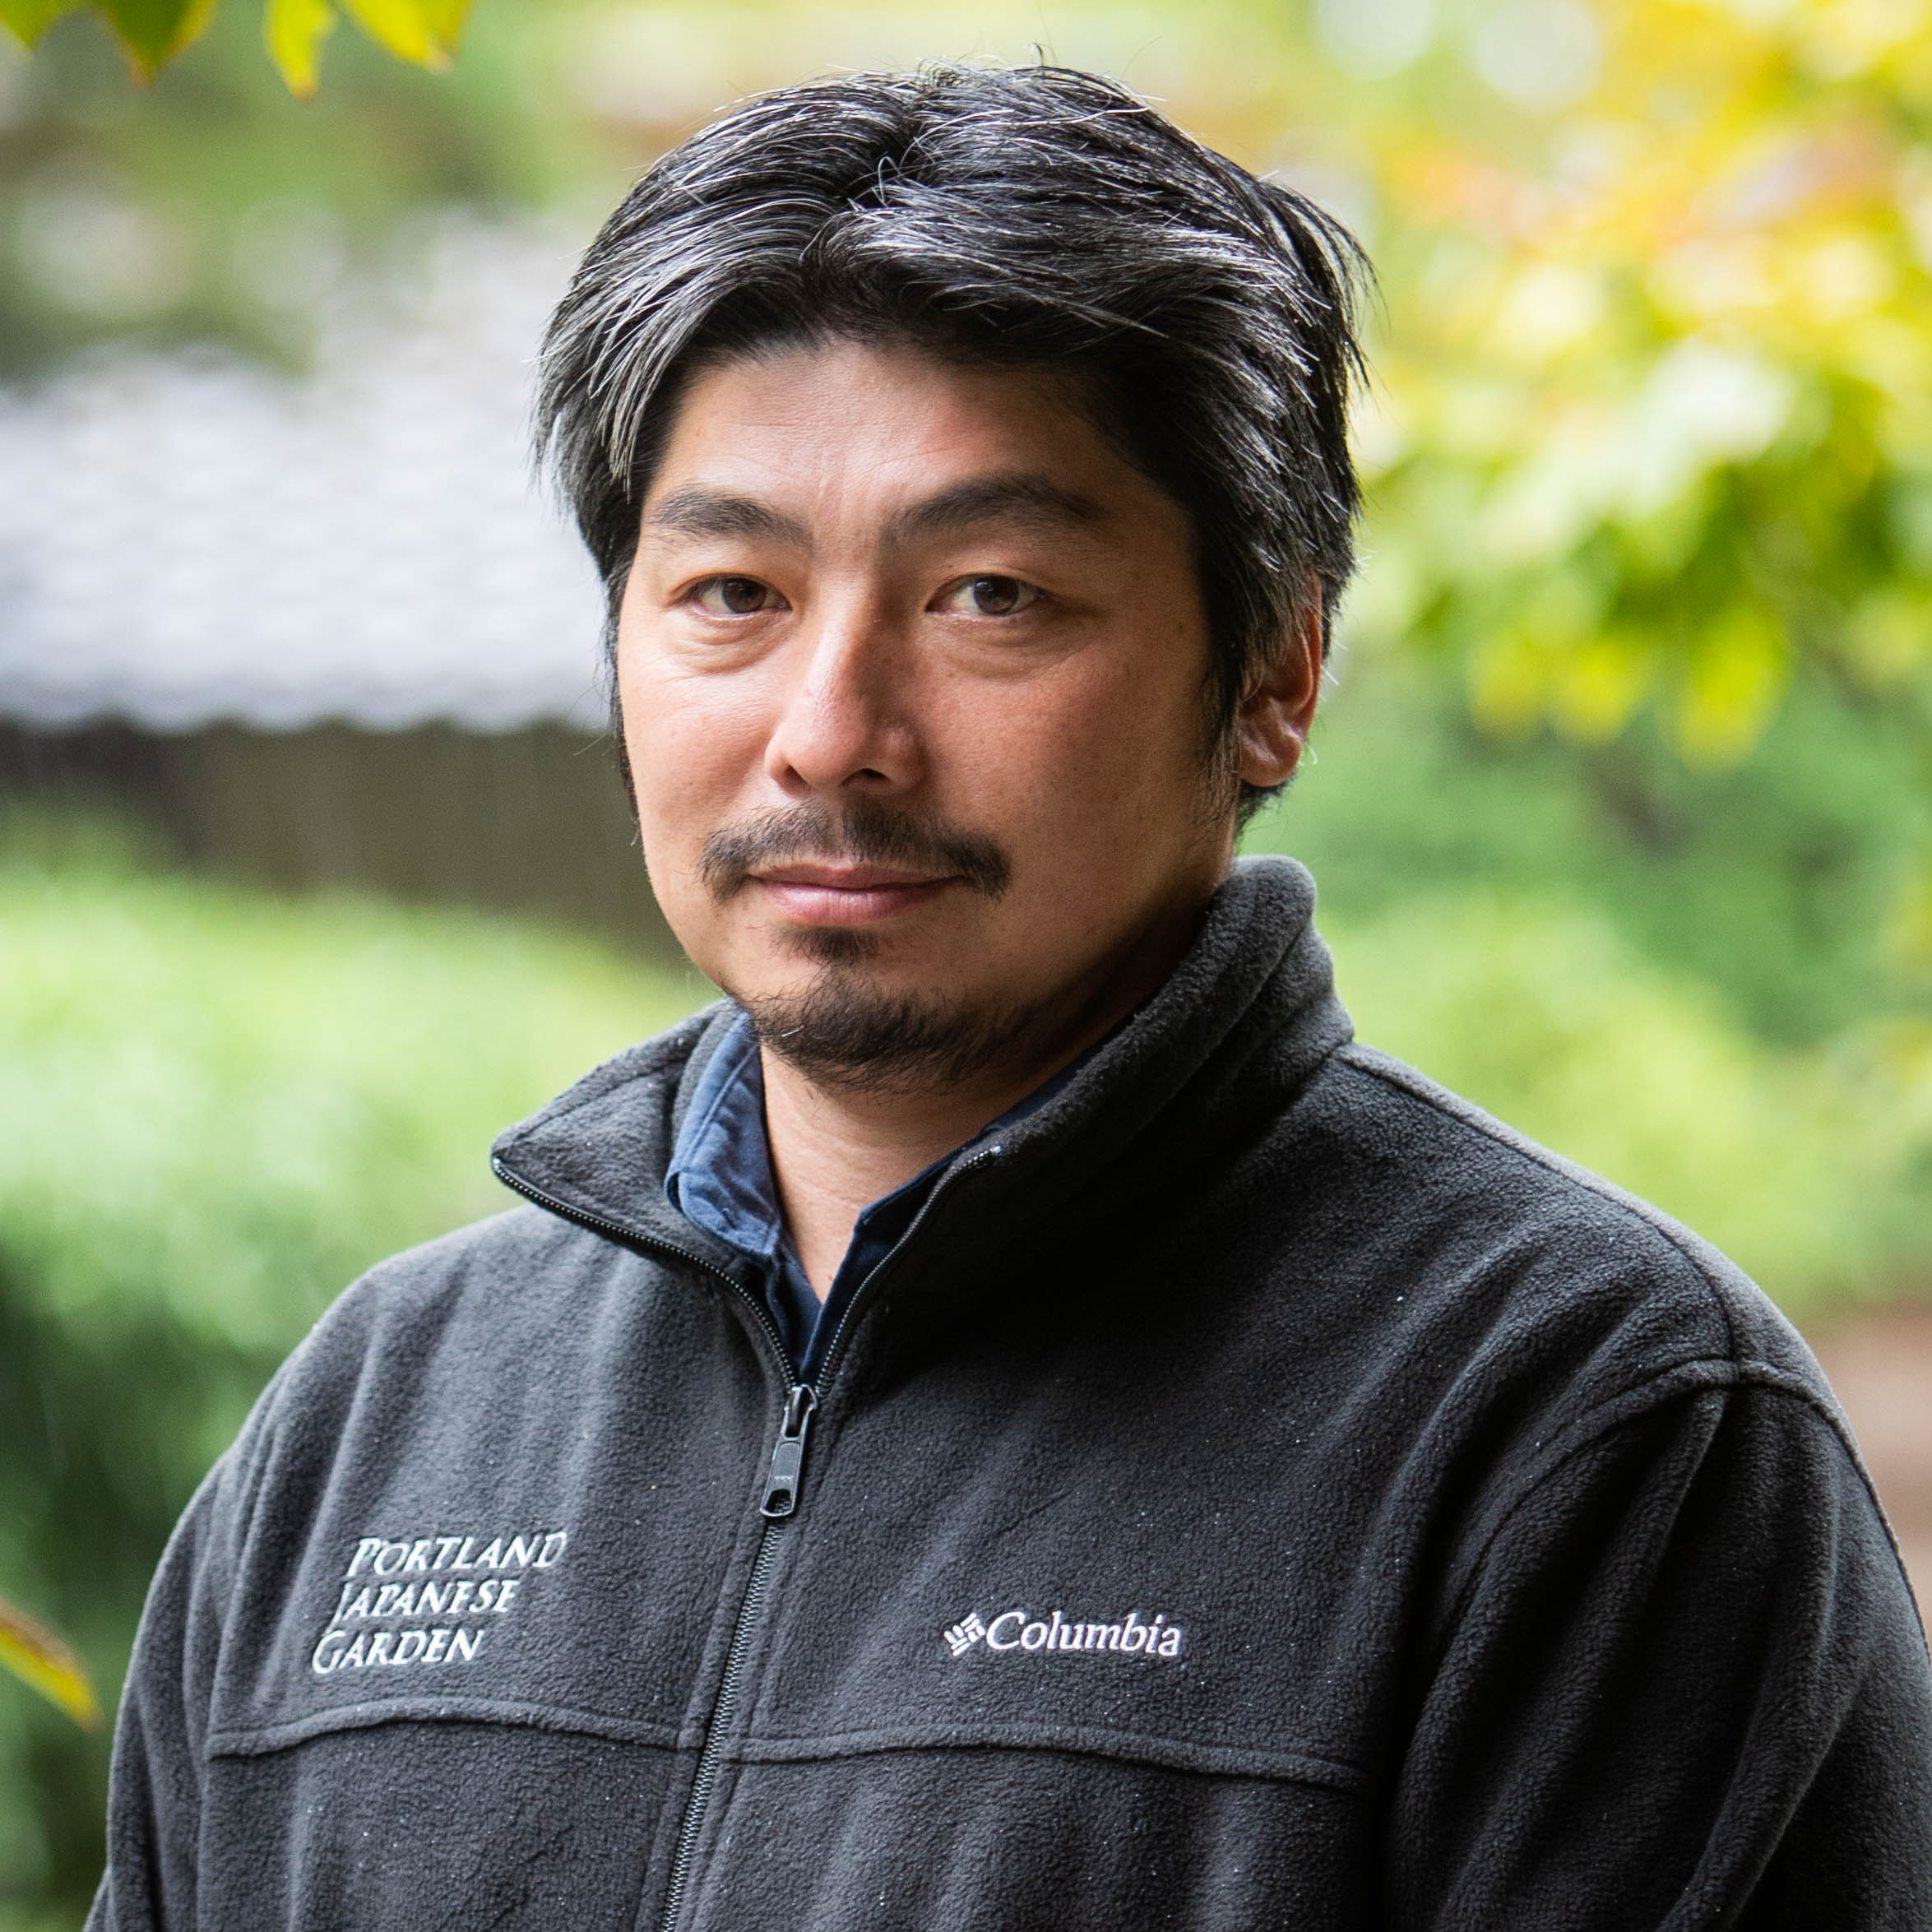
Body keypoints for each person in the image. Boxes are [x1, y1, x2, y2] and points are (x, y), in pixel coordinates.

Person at [90, 64, 1930, 1932]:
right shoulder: (384, 1412)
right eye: (730, 590)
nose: (830, 736)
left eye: (987, 594)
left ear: (1273, 666)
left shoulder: (1583, 1424)